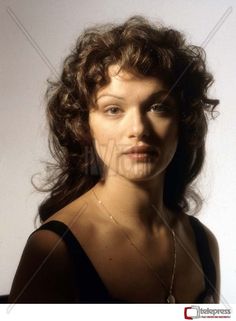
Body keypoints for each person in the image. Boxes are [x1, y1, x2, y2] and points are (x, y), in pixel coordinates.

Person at [9, 15, 220, 303]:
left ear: (183, 122)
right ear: (84, 125)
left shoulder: (203, 244)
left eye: (158, 107)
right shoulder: (53, 251)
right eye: (113, 110)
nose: (138, 129)